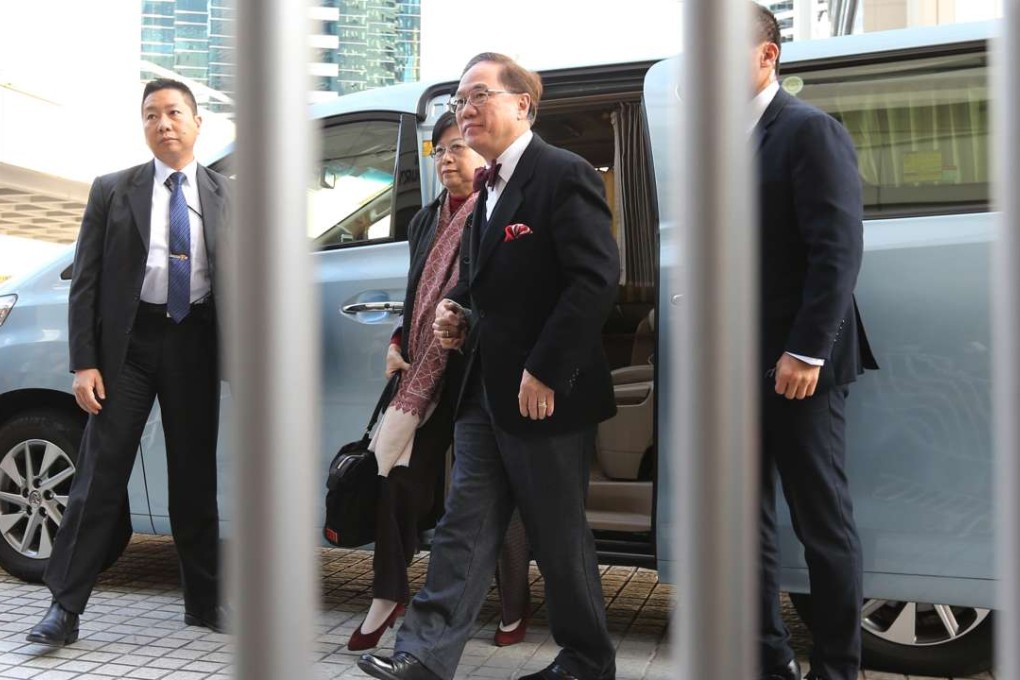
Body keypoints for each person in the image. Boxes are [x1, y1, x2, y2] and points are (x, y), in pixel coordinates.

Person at [359, 52, 619, 680]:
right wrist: (459, 313)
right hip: (484, 390)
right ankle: (421, 657)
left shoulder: (564, 174)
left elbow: (594, 281)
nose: (465, 110)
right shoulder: (487, 188)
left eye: (478, 96)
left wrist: (546, 369)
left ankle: (587, 660)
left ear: (522, 105)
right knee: (462, 528)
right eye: (458, 101)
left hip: (546, 393)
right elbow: (481, 286)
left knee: (558, 537)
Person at [26, 78, 229, 646]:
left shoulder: (225, 193)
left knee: (194, 476)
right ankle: (64, 608)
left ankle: (204, 602)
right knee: (99, 476)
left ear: (196, 122)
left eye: (173, 113)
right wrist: (84, 363)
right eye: (150, 115)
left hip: (195, 341)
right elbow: (84, 284)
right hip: (128, 349)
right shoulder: (113, 190)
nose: (163, 123)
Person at [349, 112, 532, 651]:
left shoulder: (499, 209)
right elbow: (415, 296)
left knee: (494, 490)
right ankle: (388, 593)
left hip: (479, 367)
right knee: (396, 472)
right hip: (425, 372)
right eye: (440, 151)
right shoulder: (425, 220)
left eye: (458, 147)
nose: (448, 159)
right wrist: (397, 342)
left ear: (483, 153)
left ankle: (513, 604)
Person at [750, 6, 878, 680]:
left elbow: (839, 249)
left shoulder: (808, 131)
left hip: (800, 366)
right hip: (736, 368)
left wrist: (807, 351)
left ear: (767, 56)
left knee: (822, 524)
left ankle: (838, 669)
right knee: (748, 526)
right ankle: (768, 662)